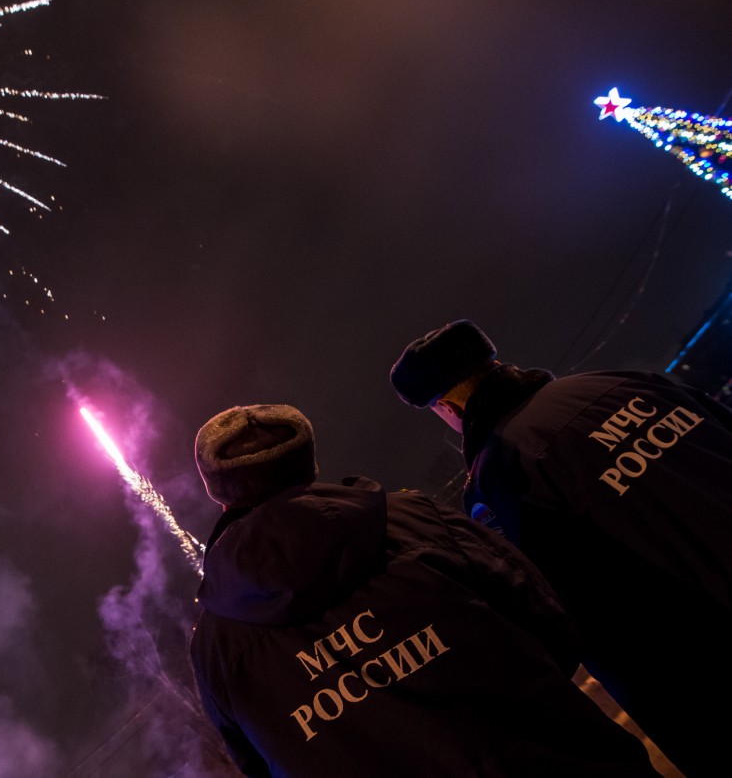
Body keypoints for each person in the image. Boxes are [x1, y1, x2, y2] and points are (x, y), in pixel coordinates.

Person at [188, 403, 661, 778]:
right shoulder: (417, 521)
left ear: (219, 492)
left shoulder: (216, 645)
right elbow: (545, 615)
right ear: (309, 462)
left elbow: (257, 762)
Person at [390, 318, 732, 777]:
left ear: (447, 406)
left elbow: (553, 607)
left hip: (700, 673)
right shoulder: (622, 384)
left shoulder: (498, 477)